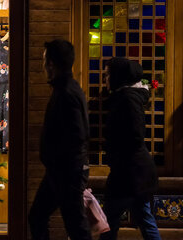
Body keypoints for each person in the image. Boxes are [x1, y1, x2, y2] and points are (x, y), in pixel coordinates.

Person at [28, 39, 92, 240]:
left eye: (44, 59)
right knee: (39, 216)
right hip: (60, 171)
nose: (42, 65)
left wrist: (60, 162)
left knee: (76, 226)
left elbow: (78, 136)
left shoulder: (66, 92)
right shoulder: (67, 88)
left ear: (51, 64)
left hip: (66, 172)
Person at [99, 57, 161, 240]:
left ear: (118, 76)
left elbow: (134, 135)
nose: (105, 79)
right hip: (136, 172)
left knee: (109, 223)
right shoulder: (126, 97)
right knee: (144, 219)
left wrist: (115, 153)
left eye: (108, 74)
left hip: (129, 172)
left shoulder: (126, 99)